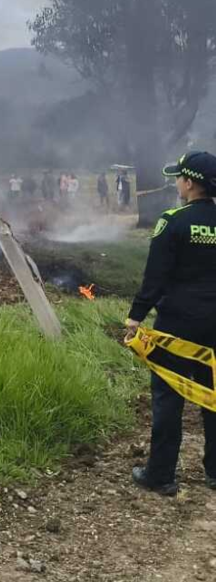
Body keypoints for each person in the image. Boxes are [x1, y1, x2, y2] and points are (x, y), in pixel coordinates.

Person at [125, 151, 216, 496]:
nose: (176, 182)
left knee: (168, 395)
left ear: (189, 183)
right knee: (214, 395)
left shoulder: (173, 221)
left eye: (178, 177)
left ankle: (160, 475)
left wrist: (136, 315)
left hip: (177, 324)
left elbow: (156, 276)